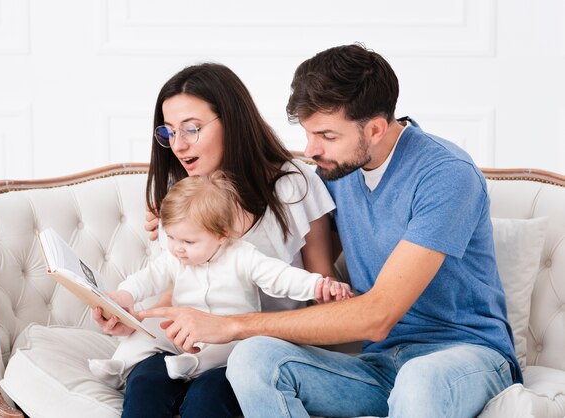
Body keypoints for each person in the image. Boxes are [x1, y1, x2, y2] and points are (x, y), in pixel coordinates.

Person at [140, 43, 520, 418]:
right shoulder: (339, 171)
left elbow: (379, 315)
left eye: (326, 135)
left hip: (466, 356)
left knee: (420, 379)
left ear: (374, 129)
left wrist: (231, 325)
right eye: (307, 133)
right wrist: (187, 218)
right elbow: (275, 196)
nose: (311, 150)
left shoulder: (445, 175)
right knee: (253, 358)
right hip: (380, 365)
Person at [93, 62, 339, 418]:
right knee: (146, 381)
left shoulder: (294, 184)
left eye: (191, 129)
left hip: (255, 349)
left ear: (232, 121)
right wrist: (131, 316)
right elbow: (174, 282)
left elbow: (322, 285)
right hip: (190, 344)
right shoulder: (178, 193)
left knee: (210, 396)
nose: (179, 145)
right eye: (169, 132)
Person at [89, 172, 352, 390]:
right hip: (184, 330)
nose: (177, 248)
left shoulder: (243, 256)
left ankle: (193, 365)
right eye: (172, 238)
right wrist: (125, 295)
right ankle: (120, 365)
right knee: (145, 331)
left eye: (188, 242)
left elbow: (281, 277)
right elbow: (146, 278)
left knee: (232, 348)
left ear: (221, 235)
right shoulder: (175, 258)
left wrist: (318, 285)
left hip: (227, 334)